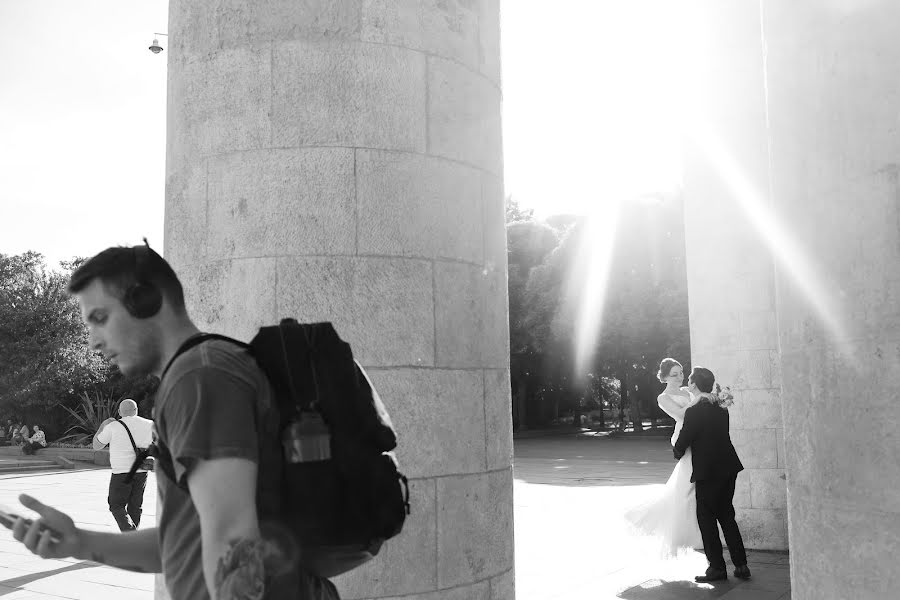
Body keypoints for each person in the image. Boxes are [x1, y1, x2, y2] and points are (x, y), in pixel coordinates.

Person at [7, 243, 339, 600]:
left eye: (100, 318)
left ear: (147, 300)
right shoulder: (200, 372)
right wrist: (78, 543)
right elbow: (182, 545)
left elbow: (233, 542)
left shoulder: (200, 378)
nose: (92, 342)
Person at [674, 366, 750, 583]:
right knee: (727, 516)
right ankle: (741, 565)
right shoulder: (721, 408)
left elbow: (685, 439)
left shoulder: (694, 411)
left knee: (706, 519)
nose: (687, 384)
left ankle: (716, 568)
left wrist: (677, 452)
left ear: (695, 384)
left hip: (708, 471)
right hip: (729, 467)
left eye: (689, 380)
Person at [624, 358, 702, 557]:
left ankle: (691, 521)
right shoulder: (663, 397)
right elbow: (681, 415)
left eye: (681, 372)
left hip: (698, 433)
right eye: (674, 374)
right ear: (665, 377)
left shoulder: (687, 391)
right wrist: (700, 399)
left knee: (685, 483)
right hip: (683, 434)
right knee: (686, 482)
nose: (680, 377)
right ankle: (678, 524)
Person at [93, 399, 153, 531]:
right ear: (136, 411)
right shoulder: (150, 424)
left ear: (119, 412)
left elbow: (96, 446)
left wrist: (103, 425)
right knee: (135, 506)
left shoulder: (113, 426)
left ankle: (130, 534)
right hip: (142, 470)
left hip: (121, 472)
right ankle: (132, 538)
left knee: (116, 505)